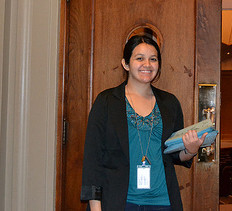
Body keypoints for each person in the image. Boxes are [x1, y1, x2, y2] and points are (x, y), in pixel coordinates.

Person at [81, 35, 207, 211]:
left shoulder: (170, 103)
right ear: (125, 63)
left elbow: (174, 155)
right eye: (139, 58)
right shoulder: (106, 102)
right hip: (118, 203)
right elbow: (92, 159)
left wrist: (190, 150)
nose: (147, 64)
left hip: (163, 203)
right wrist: (96, 208)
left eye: (153, 59)